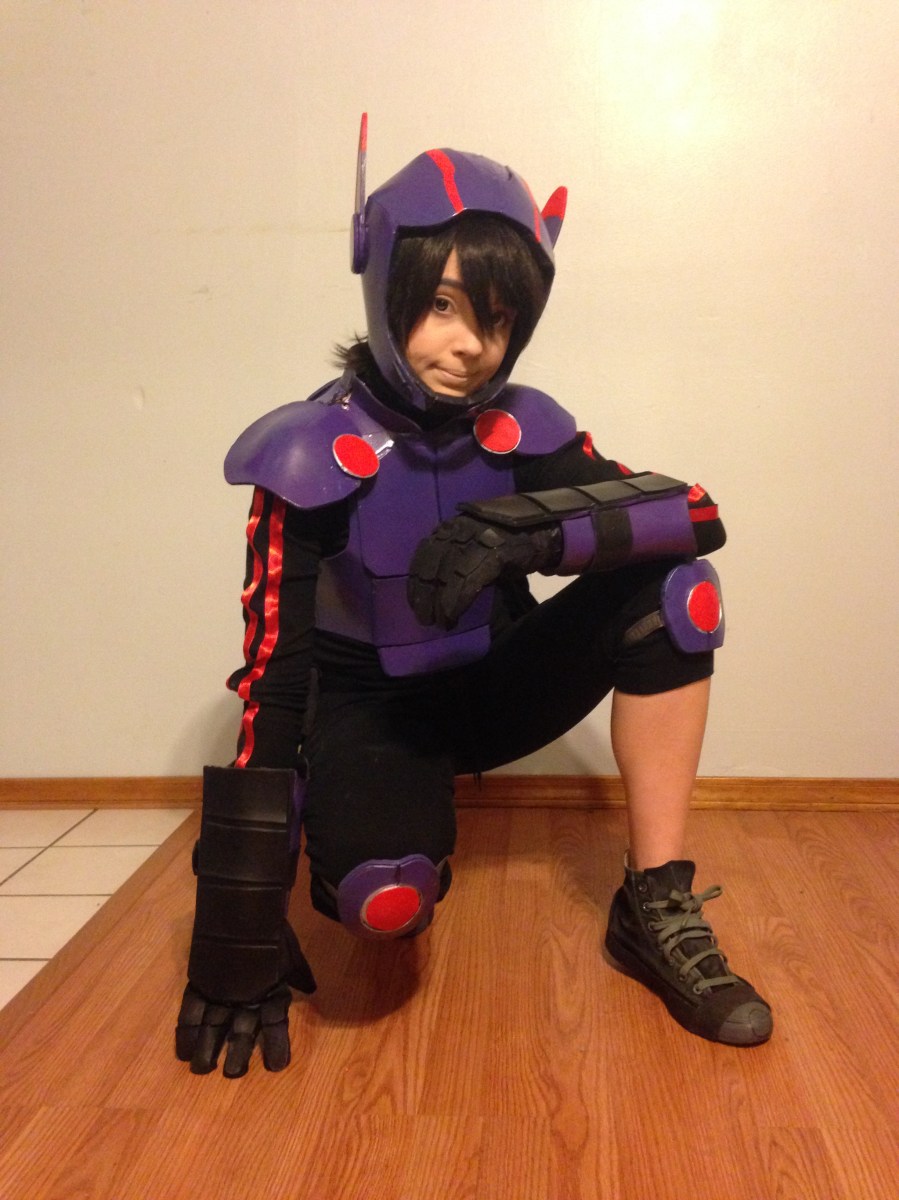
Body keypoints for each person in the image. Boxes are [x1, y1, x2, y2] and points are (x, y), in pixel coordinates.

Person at [175, 119, 772, 1078]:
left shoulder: (520, 430)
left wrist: (532, 532)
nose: (470, 347)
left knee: (677, 595)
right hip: (369, 710)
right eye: (443, 305)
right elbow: (272, 677)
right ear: (386, 284)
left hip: (492, 683)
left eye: (496, 319)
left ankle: (652, 899)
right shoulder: (307, 452)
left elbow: (692, 514)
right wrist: (237, 920)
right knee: (383, 903)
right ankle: (366, 813)